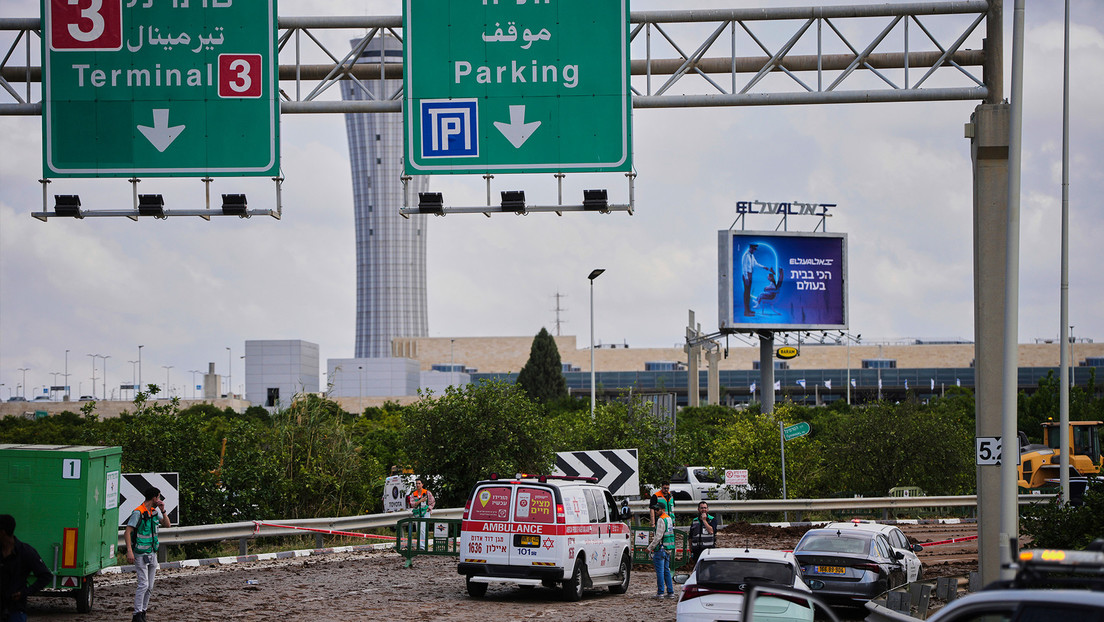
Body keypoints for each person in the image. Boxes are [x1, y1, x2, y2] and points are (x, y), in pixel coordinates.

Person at [125, 487, 170, 622]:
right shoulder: (138, 512)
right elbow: (127, 532)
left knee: (150, 586)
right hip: (140, 554)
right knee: (143, 584)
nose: (160, 500)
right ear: (154, 498)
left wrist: (163, 510)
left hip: (152, 553)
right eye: (159, 497)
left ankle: (143, 612)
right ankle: (136, 614)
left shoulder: (154, 512)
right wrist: (129, 551)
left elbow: (167, 525)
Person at [0, 514, 52, 622]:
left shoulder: (25, 552)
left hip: (15, 610)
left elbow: (46, 576)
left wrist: (25, 592)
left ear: (3, 532)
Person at [645, 504, 675, 598]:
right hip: (668, 549)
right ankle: (670, 592)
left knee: (660, 572)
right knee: (666, 571)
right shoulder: (669, 518)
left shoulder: (661, 520)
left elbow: (658, 536)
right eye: (655, 510)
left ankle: (660, 592)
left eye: (657, 510)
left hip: (660, 549)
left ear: (663, 509)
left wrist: (649, 548)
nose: (656, 511)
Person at [741, 244, 770, 317]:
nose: (754, 251)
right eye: (753, 249)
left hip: (750, 274)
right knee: (746, 294)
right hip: (746, 275)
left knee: (748, 293)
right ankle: (746, 312)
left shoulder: (751, 256)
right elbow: (744, 267)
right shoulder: (746, 255)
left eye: (755, 249)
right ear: (750, 248)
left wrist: (764, 267)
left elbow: (755, 264)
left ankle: (748, 310)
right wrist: (746, 278)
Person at [407, 479, 435, 549]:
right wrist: (420, 501)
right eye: (416, 484)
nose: (417, 485)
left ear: (422, 484)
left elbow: (433, 502)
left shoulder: (427, 493)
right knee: (418, 529)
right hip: (417, 513)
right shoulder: (413, 494)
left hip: (425, 513)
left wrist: (429, 508)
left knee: (423, 529)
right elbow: (413, 504)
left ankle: (422, 546)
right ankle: (421, 545)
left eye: (419, 483)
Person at [688, 501, 718, 566]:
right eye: (702, 508)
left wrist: (704, 520)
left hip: (708, 549)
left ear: (707, 509)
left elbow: (711, 531)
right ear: (698, 509)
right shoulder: (695, 521)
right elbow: (690, 536)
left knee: (708, 567)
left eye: (705, 508)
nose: (703, 510)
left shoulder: (712, 520)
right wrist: (691, 548)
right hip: (696, 549)